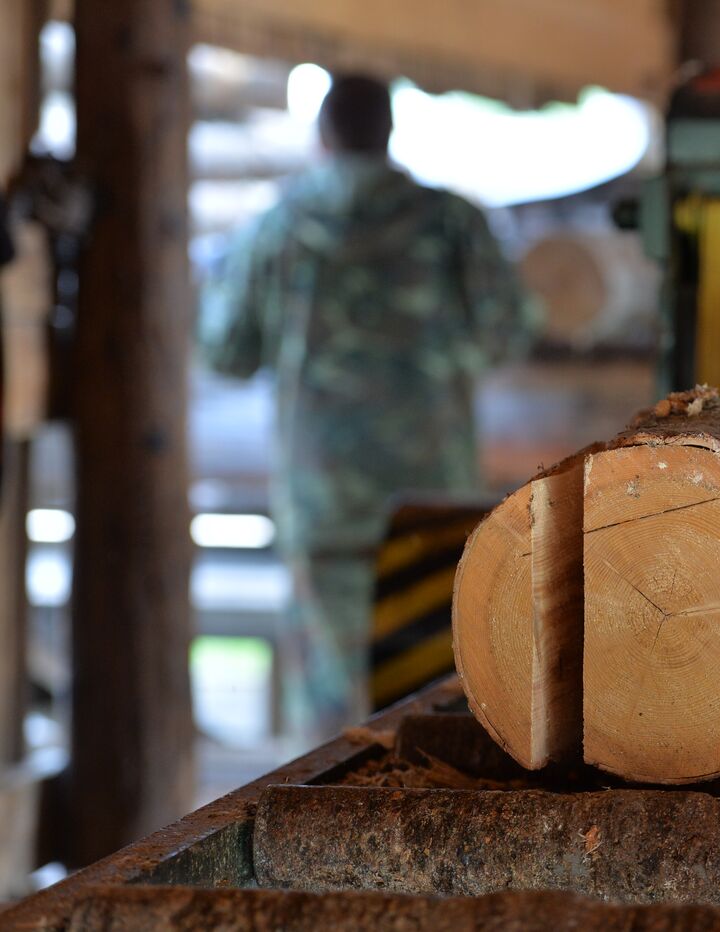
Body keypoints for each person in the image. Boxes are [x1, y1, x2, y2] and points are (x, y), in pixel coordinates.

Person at [200, 73, 537, 742]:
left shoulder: (279, 226)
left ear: (323, 135)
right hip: (430, 490)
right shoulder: (451, 223)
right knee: (434, 691)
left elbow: (225, 352)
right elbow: (507, 334)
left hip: (319, 495)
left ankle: (317, 838)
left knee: (328, 709)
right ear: (389, 133)